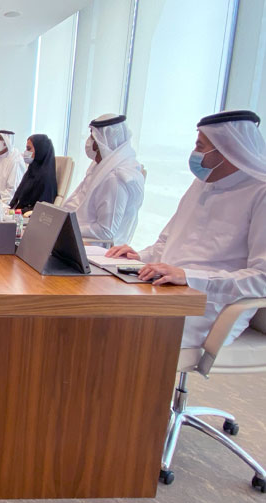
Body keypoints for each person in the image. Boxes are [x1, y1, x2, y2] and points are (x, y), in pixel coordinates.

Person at [107, 110, 266, 349]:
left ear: (228, 150)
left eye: (200, 147)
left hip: (211, 307)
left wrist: (191, 277)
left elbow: (261, 279)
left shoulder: (260, 192)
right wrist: (140, 256)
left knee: (118, 331)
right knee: (99, 310)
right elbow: (167, 241)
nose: (194, 154)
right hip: (167, 289)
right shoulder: (202, 184)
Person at [63, 114, 144, 245]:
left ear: (105, 141)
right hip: (77, 237)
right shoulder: (99, 167)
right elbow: (77, 201)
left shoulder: (116, 177)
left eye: (93, 138)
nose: (90, 144)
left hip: (94, 246)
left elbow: (106, 231)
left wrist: (68, 228)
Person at [9, 134, 58, 212]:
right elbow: (18, 197)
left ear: (40, 150)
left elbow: (40, 209)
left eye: (29, 149)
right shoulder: (31, 171)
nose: (25, 152)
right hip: (17, 214)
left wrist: (15, 212)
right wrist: (9, 209)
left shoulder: (46, 178)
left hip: (27, 217)